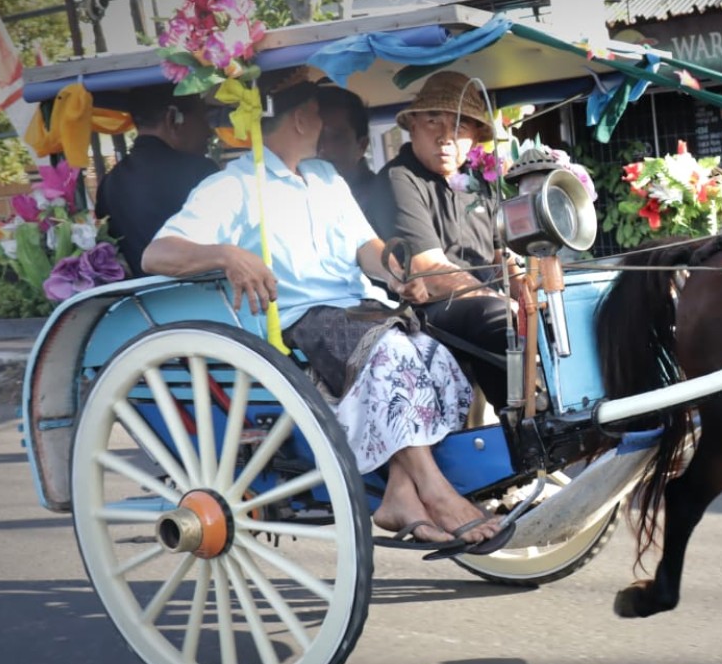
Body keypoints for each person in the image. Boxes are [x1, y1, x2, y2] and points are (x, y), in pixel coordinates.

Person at [141, 71, 507, 551]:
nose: (323, 125)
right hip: (300, 321)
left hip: (360, 310)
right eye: (318, 113)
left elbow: (365, 246)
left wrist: (396, 272)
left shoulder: (325, 178)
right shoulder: (233, 186)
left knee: (433, 352)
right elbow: (157, 254)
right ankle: (436, 493)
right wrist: (226, 255)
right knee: (393, 355)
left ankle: (399, 492)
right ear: (301, 119)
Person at [366, 70, 510, 406]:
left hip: (484, 298)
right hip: (426, 309)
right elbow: (428, 269)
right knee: (499, 318)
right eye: (434, 121)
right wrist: (503, 300)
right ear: (413, 125)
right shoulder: (398, 179)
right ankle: (519, 430)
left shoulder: (479, 183)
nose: (446, 137)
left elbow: (500, 257)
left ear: (473, 137)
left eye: (459, 126)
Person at [95, 84, 220, 275]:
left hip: (138, 302)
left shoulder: (109, 183)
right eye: (203, 119)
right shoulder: (201, 172)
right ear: (173, 119)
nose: (210, 132)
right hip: (199, 296)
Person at [316, 85, 376, 207]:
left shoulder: (383, 198)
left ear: (362, 146)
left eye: (335, 137)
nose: (321, 147)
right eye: (313, 135)